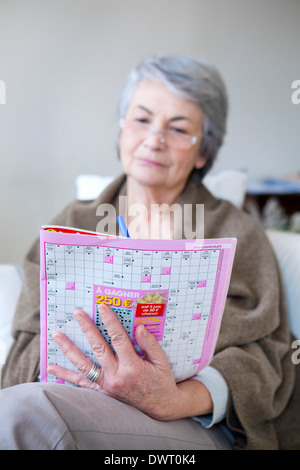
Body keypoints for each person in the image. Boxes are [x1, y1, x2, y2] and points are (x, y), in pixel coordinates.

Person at [0, 56, 299, 451]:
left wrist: (174, 399)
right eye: (141, 120)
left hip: (188, 420)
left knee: (25, 413)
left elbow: (267, 355)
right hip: (79, 397)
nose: (154, 139)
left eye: (177, 129)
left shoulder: (237, 232)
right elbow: (29, 333)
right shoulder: (73, 221)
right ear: (122, 128)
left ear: (203, 153)